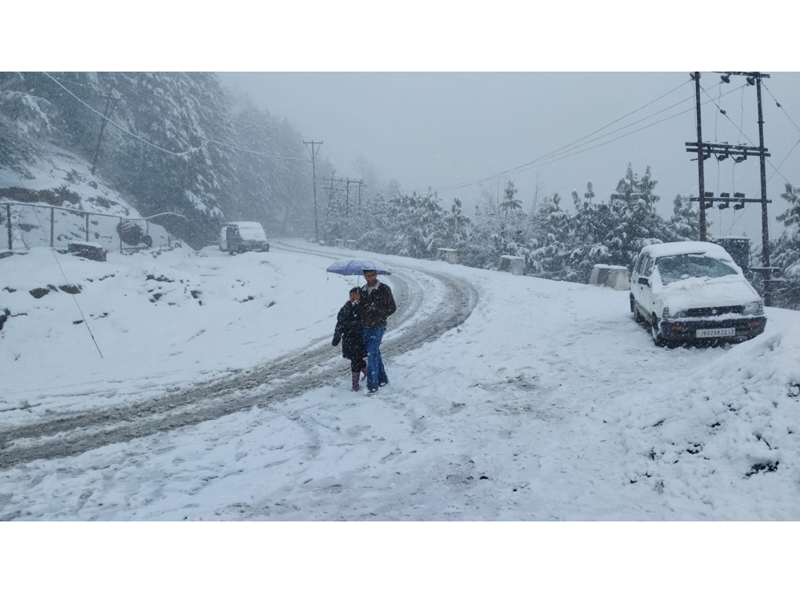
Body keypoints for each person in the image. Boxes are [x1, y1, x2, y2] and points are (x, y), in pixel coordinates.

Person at [359, 269, 397, 395]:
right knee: (375, 352)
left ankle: (372, 386)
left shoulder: (384, 289)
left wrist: (379, 313)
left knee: (371, 354)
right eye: (368, 275)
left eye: (373, 275)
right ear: (364, 276)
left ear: (376, 274)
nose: (370, 278)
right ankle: (383, 379)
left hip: (378, 326)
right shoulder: (362, 290)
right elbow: (359, 308)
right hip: (365, 327)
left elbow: (392, 307)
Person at [332, 287, 368, 392]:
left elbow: (364, 321)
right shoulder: (347, 307)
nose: (353, 297)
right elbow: (340, 321)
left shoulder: (364, 306)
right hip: (349, 339)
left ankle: (355, 385)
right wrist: (337, 336)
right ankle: (368, 373)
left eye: (356, 295)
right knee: (356, 359)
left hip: (360, 339)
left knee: (355, 361)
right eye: (351, 295)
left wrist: (353, 324)